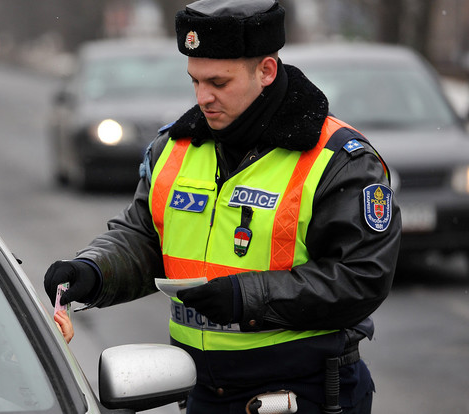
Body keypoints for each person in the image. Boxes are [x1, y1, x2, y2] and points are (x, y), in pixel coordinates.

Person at [44, 1, 401, 413]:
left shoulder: (339, 159)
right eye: (194, 81)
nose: (203, 97)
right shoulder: (173, 147)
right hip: (201, 393)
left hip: (304, 394)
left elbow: (362, 276)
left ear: (266, 71)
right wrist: (93, 270)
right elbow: (144, 237)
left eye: (218, 82)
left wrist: (245, 297)